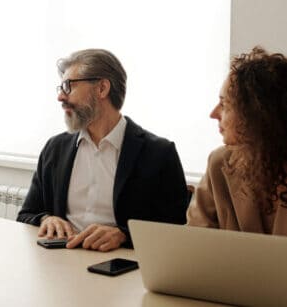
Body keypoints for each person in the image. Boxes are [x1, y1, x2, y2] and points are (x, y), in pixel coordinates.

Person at [17, 49, 189, 251]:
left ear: (102, 88)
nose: (61, 96)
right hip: (60, 262)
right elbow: (26, 214)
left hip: (123, 271)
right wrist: (47, 219)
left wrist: (124, 235)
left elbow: (175, 230)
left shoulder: (159, 153)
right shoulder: (55, 148)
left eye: (69, 86)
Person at [187, 47, 287, 234]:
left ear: (256, 114)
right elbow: (195, 241)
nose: (213, 114)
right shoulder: (219, 163)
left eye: (225, 104)